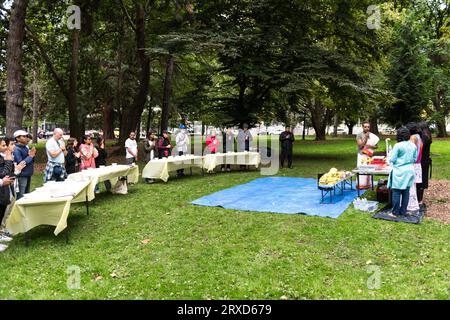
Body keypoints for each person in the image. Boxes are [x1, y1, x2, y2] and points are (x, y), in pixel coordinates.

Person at [0, 137, 26, 248]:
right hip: (2, 188)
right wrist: (9, 161)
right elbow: (4, 173)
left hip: (6, 188)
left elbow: (9, 174)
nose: (10, 147)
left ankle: (1, 232)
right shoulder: (5, 158)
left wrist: (17, 170)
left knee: (4, 212)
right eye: (4, 145)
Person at [387, 127, 418, 217]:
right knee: (406, 191)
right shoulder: (413, 145)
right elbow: (414, 159)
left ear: (399, 135)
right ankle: (403, 211)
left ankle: (395, 212)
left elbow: (392, 159)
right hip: (410, 170)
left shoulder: (398, 145)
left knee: (396, 192)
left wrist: (390, 160)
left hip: (399, 171)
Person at [13, 130, 36, 200]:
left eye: (26, 136)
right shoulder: (16, 149)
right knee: (21, 196)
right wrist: (30, 156)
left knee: (26, 195)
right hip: (21, 175)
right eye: (24, 136)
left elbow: (31, 160)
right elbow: (20, 163)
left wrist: (32, 155)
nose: (26, 138)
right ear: (17, 138)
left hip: (28, 174)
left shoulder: (25, 147)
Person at [406, 123, 423, 212]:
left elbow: (410, 150)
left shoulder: (413, 137)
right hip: (418, 163)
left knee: (411, 185)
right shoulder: (419, 137)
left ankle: (411, 204)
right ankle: (413, 202)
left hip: (413, 163)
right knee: (413, 185)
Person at [356, 121, 379, 189]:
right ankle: (361, 185)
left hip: (369, 155)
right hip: (362, 155)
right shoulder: (359, 135)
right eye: (365, 127)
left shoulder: (372, 135)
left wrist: (370, 146)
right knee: (362, 170)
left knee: (369, 170)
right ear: (362, 127)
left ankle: (368, 185)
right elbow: (360, 146)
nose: (367, 128)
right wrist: (366, 138)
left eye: (368, 127)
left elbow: (376, 146)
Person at [416, 121, 432, 206]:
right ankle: (419, 199)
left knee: (421, 181)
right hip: (425, 160)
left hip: (423, 161)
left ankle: (419, 200)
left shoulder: (424, 138)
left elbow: (419, 148)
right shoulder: (427, 135)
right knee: (422, 180)